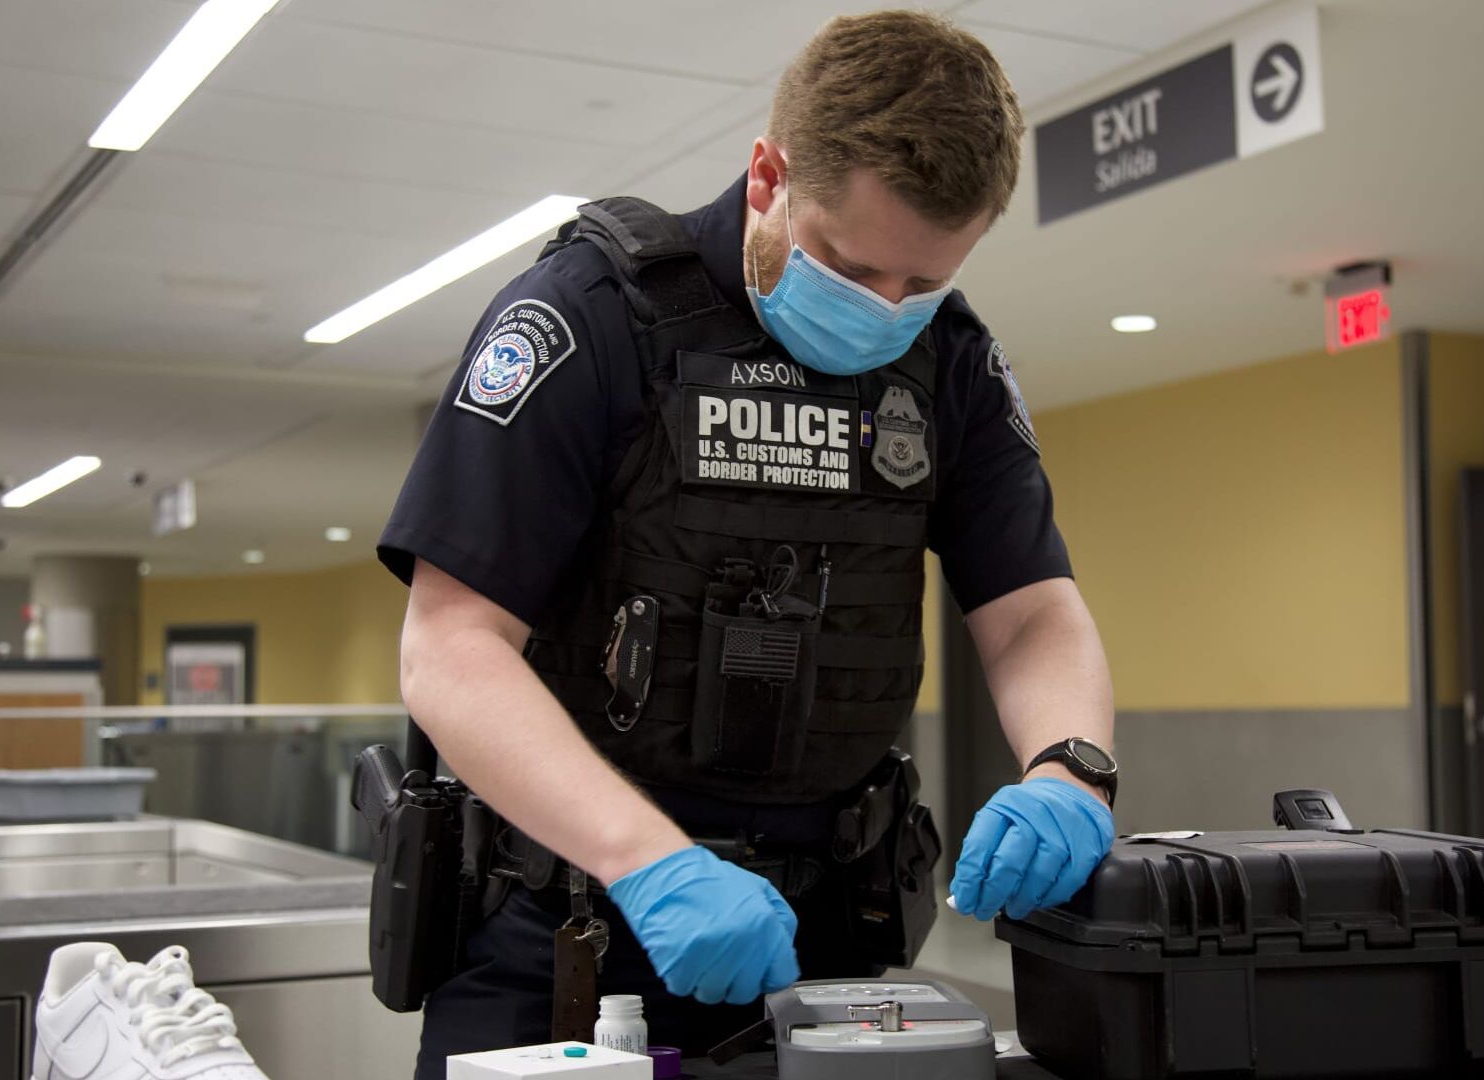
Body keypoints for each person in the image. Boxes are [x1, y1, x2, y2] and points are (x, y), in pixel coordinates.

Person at [379, 12, 1120, 1076]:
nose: (887, 310)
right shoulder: (591, 318)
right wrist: (650, 863)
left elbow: (1032, 614)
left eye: (925, 284)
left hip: (830, 944)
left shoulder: (949, 364)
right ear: (768, 173)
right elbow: (448, 648)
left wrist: (1070, 772)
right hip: (566, 934)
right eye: (854, 265)